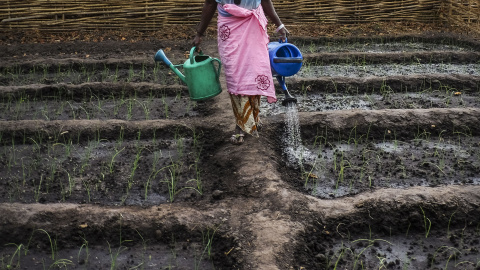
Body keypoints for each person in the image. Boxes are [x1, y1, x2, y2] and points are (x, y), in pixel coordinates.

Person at [193, 0, 289, 145]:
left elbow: (265, 0)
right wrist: (199, 33)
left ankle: (252, 119)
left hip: (252, 25)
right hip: (229, 28)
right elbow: (210, 3)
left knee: (255, 71)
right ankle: (242, 123)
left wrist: (279, 24)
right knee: (235, 76)